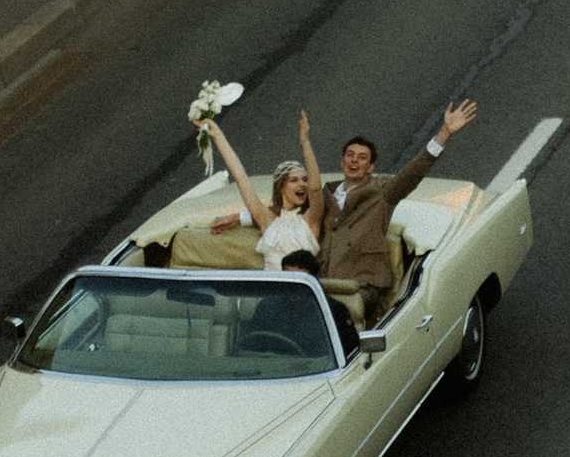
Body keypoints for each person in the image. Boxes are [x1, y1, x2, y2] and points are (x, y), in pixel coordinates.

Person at [321, 97, 477, 309]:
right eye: (350, 155)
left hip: (360, 284)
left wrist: (444, 134)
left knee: (336, 311)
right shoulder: (326, 194)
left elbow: (412, 174)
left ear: (371, 168)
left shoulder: (382, 192)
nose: (354, 161)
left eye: (361, 158)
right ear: (342, 162)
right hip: (323, 282)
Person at [200, 106, 327, 274]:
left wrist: (305, 142)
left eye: (304, 179)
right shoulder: (265, 218)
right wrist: (217, 134)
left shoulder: (311, 218)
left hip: (300, 290)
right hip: (271, 289)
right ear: (281, 186)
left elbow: (316, 187)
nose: (302, 185)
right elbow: (239, 175)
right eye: (294, 180)